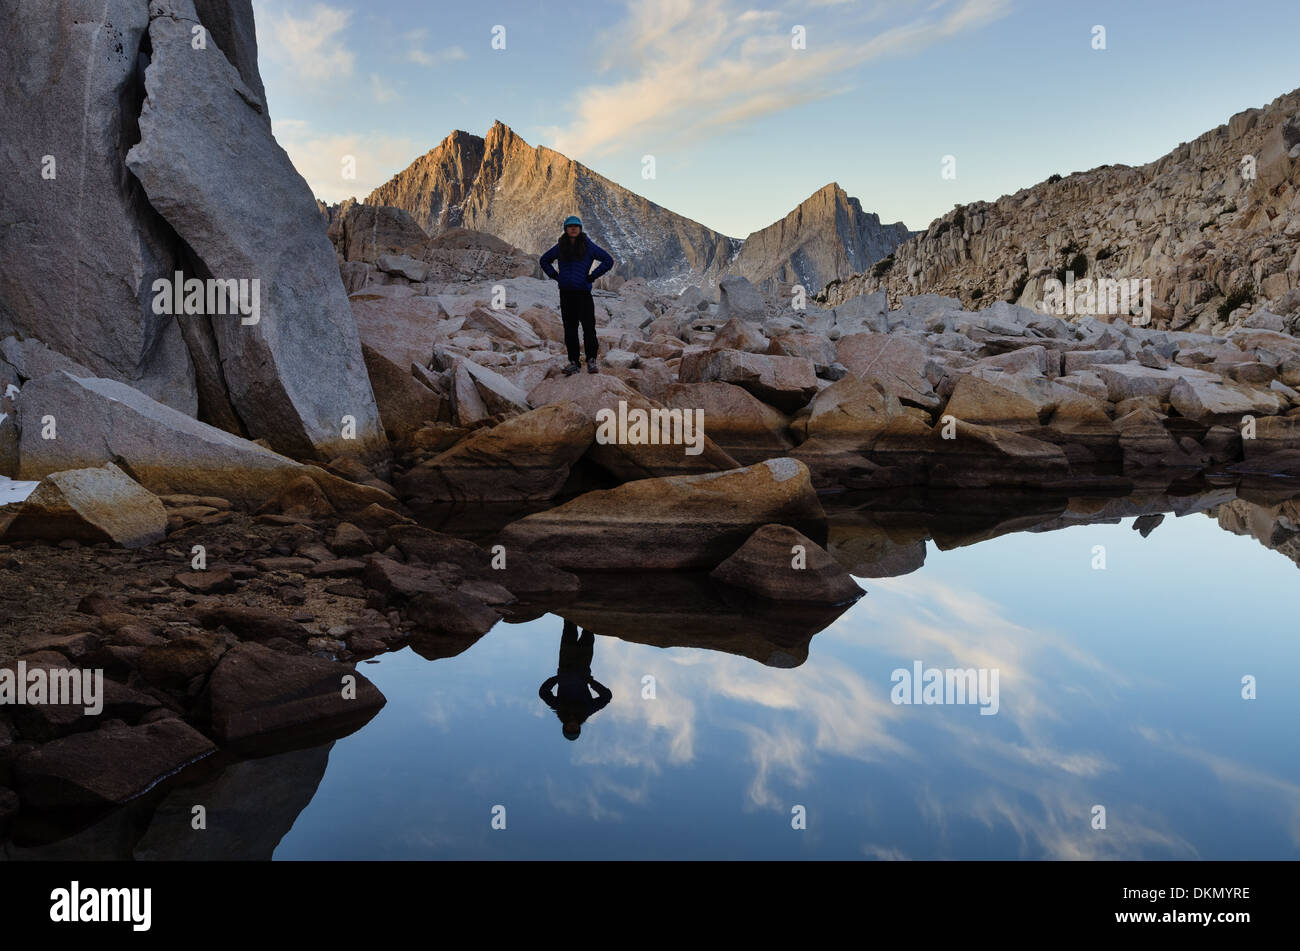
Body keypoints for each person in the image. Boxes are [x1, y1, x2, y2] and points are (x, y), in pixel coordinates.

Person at [539, 216, 615, 376]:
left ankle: (591, 360)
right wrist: (554, 275)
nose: (573, 228)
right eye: (570, 226)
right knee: (570, 329)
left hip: (583, 293)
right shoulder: (560, 247)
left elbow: (608, 260)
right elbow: (544, 260)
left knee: (588, 327)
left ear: (580, 229)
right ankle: (574, 362)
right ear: (565, 229)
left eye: (576, 226)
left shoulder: (588, 246)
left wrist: (593, 276)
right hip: (566, 294)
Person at [538, 619, 612, 740]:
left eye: (569, 729)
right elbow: (606, 696)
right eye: (574, 729)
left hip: (565, 665)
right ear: (579, 728)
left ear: (564, 726)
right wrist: (591, 682)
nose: (572, 727)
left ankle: (569, 605)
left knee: (569, 629)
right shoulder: (587, 710)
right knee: (588, 631)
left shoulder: (559, 707)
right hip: (583, 667)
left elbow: (543, 692)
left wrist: (558, 678)